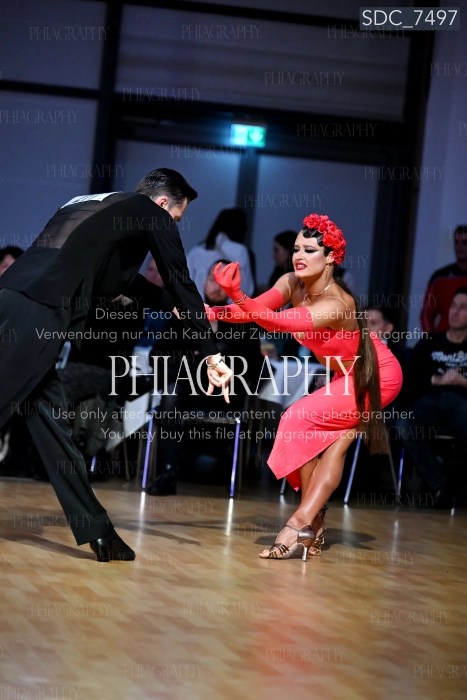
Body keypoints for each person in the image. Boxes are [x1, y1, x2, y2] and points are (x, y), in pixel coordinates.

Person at [0, 168, 232, 562]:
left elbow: (114, 282)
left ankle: (99, 531)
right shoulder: (153, 214)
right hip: (38, 314)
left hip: (14, 301)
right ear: (163, 203)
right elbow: (179, 278)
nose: (173, 225)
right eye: (176, 218)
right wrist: (211, 351)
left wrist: (177, 308)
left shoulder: (93, 205)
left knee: (53, 426)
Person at [208, 213, 403, 560]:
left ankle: (298, 522)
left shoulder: (337, 303)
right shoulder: (291, 282)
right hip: (345, 376)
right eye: (296, 248)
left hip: (376, 376)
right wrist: (215, 310)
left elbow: (276, 322)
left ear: (330, 257)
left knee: (297, 418)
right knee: (328, 445)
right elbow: (254, 311)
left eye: (309, 250)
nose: (298, 255)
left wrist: (236, 293)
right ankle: (311, 522)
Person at [146, 259, 263, 495]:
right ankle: (168, 472)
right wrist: (193, 361)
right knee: (171, 392)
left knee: (186, 381)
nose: (217, 287)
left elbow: (254, 367)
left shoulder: (243, 320)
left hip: (224, 393)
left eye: (224, 282)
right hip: (187, 391)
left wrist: (219, 363)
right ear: (204, 281)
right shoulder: (185, 315)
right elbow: (156, 355)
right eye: (212, 279)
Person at [396, 287, 467, 506]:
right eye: (453, 306)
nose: (455, 312)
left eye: (463, 307)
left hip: (462, 401)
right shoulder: (430, 342)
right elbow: (407, 380)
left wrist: (462, 382)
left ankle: (456, 486)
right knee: (404, 426)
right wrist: (435, 380)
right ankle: (440, 486)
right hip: (430, 399)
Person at [187, 208, 255, 296]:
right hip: (231, 303)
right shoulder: (240, 251)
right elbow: (248, 289)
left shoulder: (197, 251)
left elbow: (184, 283)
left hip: (198, 303)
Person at [421, 224, 467, 333]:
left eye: (465, 243)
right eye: (456, 242)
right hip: (444, 338)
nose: (459, 247)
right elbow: (426, 315)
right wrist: (431, 340)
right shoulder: (440, 277)